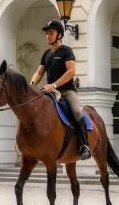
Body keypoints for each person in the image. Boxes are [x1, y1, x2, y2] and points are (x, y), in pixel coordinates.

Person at [29, 19, 91, 160]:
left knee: (76, 111)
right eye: (47, 33)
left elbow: (71, 71)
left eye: (51, 33)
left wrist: (54, 85)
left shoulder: (66, 51)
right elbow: (39, 73)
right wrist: (31, 85)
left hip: (67, 91)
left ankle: (85, 145)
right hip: (50, 91)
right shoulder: (46, 54)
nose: (48, 36)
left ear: (60, 35)